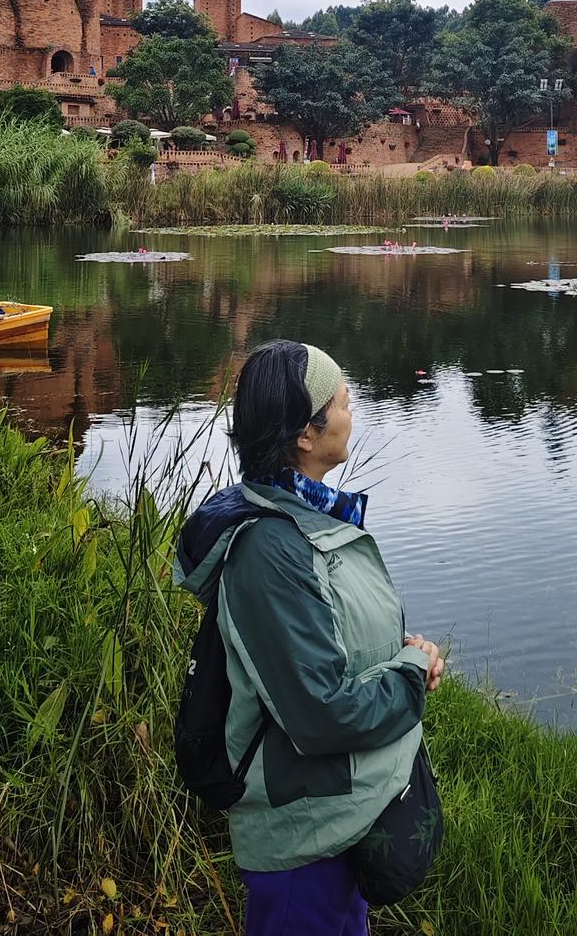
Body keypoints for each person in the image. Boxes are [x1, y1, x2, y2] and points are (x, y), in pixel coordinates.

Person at [174, 341, 444, 936]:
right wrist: (407, 675)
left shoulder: (305, 516)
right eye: (343, 401)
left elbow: (319, 638)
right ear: (305, 434)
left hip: (339, 818)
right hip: (303, 841)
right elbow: (320, 710)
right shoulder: (270, 550)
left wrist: (395, 648)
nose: (353, 411)